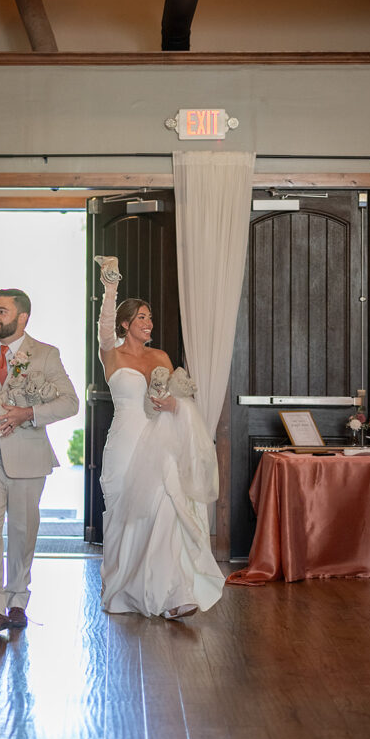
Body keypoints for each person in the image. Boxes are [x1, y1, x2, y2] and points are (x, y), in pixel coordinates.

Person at [96, 258, 225, 619]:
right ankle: (124, 588)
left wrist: (173, 404)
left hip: (160, 442)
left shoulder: (161, 356)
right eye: (141, 317)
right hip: (124, 441)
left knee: (167, 511)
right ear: (126, 323)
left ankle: (173, 594)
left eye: (150, 318)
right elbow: (105, 328)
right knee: (126, 514)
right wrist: (110, 289)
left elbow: (179, 401)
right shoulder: (112, 353)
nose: (148, 323)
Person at [0, 288, 79, 636]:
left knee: (23, 533)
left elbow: (70, 403)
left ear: (22, 318)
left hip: (28, 456)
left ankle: (17, 602)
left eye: (2, 311)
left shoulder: (45, 354)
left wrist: (28, 412)